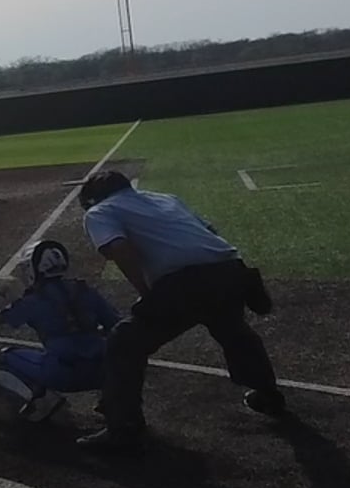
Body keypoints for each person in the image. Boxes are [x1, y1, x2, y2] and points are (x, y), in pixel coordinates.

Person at [73, 170, 284, 453]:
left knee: (124, 341)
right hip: (231, 269)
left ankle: (123, 426)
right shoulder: (166, 199)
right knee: (232, 329)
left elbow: (119, 248)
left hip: (184, 282)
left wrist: (146, 292)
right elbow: (210, 231)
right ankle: (268, 393)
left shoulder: (100, 212)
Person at [0, 240, 119, 423]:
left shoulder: (32, 301)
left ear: (33, 268)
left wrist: (1, 301)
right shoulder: (85, 290)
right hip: (102, 373)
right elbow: (116, 325)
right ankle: (113, 399)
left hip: (62, 373)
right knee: (116, 350)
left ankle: (43, 400)